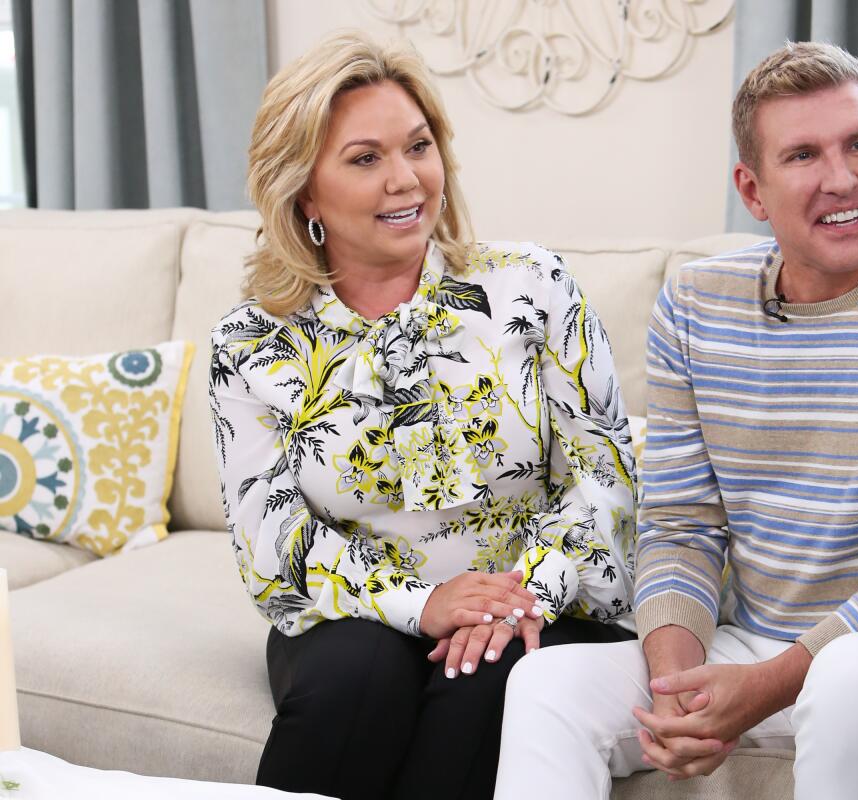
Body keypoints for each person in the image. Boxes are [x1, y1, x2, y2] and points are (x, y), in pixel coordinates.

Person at [495, 41, 858, 799]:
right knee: (546, 684)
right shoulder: (694, 306)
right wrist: (678, 686)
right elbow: (682, 524)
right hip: (758, 641)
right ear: (752, 191)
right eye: (803, 155)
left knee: (851, 677)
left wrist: (768, 685)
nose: (841, 177)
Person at [208, 32, 637, 800]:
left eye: (419, 145)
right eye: (365, 158)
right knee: (356, 683)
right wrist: (424, 605)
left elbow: (605, 476)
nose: (406, 179)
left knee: (483, 682)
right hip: (353, 619)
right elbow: (270, 544)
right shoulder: (251, 344)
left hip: (532, 601)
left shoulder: (531, 286)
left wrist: (522, 593)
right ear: (303, 190)